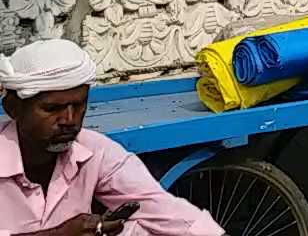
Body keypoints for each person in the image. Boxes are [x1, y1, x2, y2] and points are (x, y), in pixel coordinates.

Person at [0, 39, 222, 235]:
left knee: (142, 230)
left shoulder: (93, 150)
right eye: (52, 108)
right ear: (13, 108)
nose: (69, 119)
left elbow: (159, 207)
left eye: (78, 105)